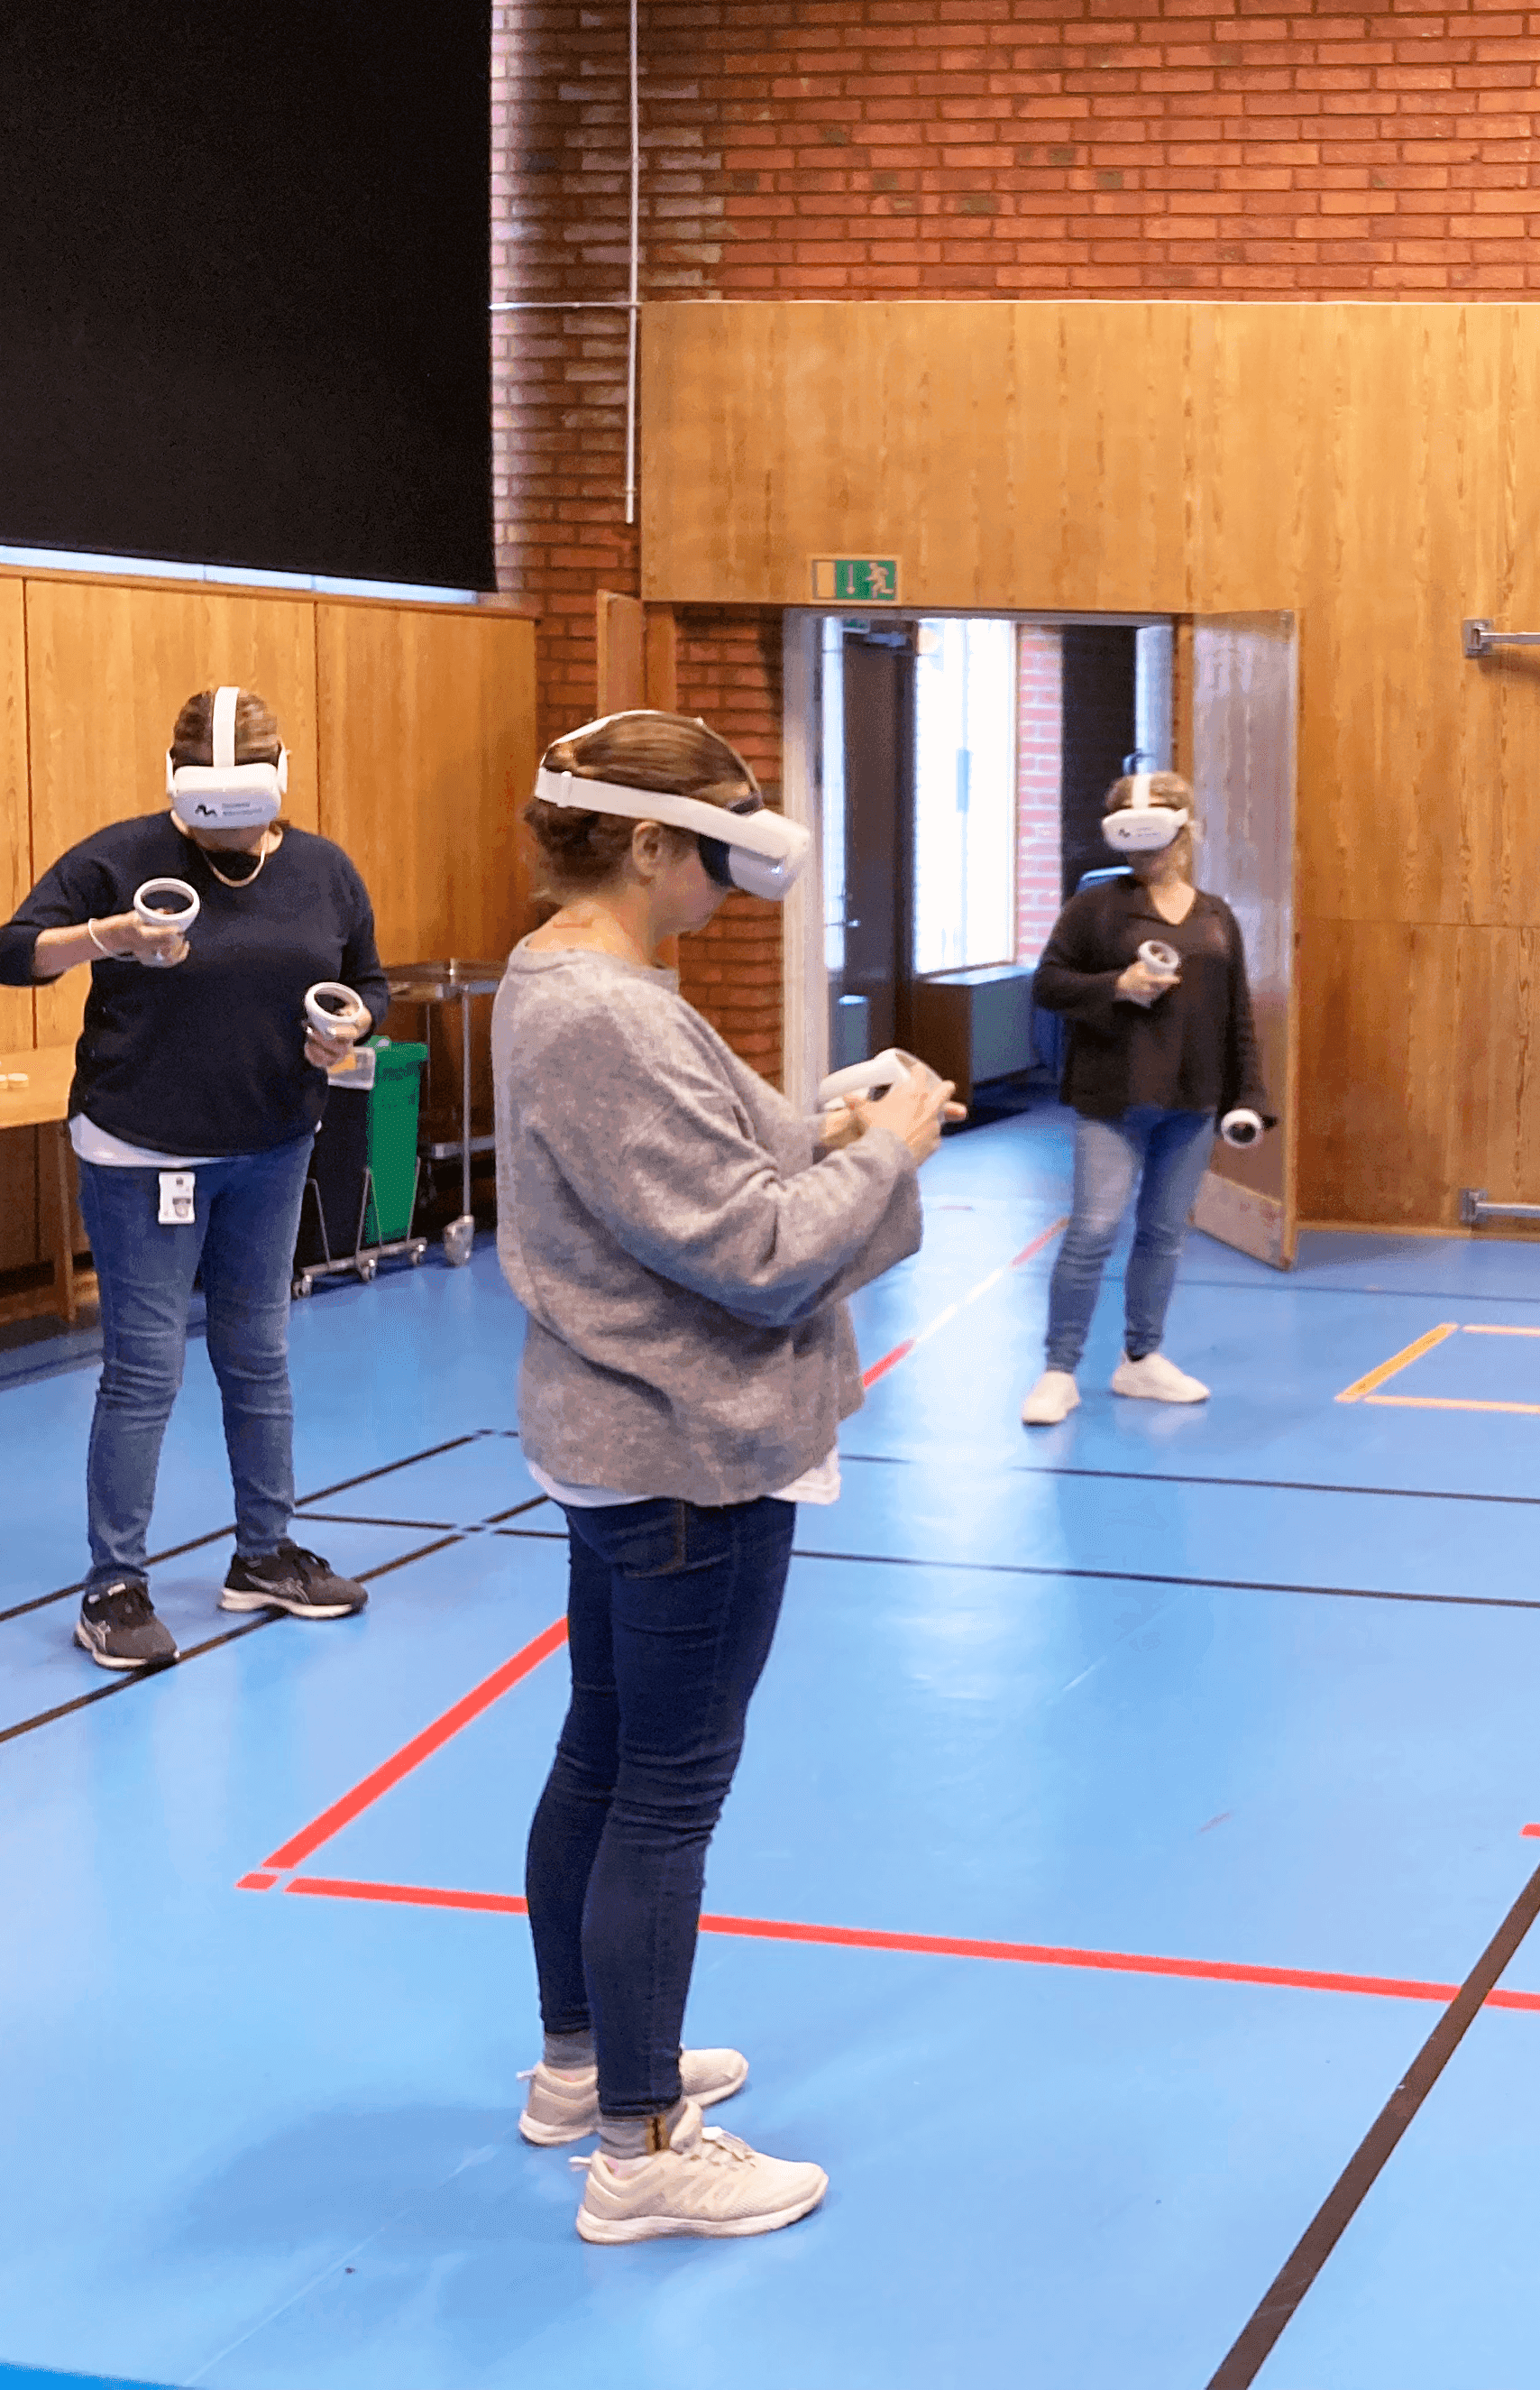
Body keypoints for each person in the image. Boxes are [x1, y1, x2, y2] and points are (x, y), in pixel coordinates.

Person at [493, 710, 947, 2243]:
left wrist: (843, 1122)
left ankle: (583, 2062)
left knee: (607, 1761)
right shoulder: (605, 1015)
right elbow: (757, 1252)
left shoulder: (583, 984)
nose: (720, 889)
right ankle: (641, 2146)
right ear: (643, 844)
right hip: (683, 1452)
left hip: (623, 1438)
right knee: (664, 1796)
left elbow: (715, 1163)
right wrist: (884, 1156)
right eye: (711, 855)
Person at [0, 685, 385, 1671]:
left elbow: (368, 979)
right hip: (141, 1151)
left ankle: (264, 1553)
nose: (233, 834)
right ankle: (113, 1588)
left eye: (248, 812)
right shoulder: (117, 858)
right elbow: (6, 956)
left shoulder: (326, 870)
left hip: (273, 1143)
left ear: (277, 788)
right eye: (213, 815)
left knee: (259, 1356)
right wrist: (107, 936)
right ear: (178, 791)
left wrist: (352, 1030)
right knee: (143, 1371)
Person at [1020, 767, 1271, 1426]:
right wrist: (1116, 986)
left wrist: (1249, 1096)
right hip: (1113, 1098)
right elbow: (1047, 984)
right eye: (1132, 839)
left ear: (1184, 831)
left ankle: (1141, 1359)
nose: (1145, 852)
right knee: (1093, 1231)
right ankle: (1058, 1370)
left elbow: (1236, 1014)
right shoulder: (1096, 909)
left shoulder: (1218, 917)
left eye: (1156, 834)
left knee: (1162, 1235)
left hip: (1191, 1101)